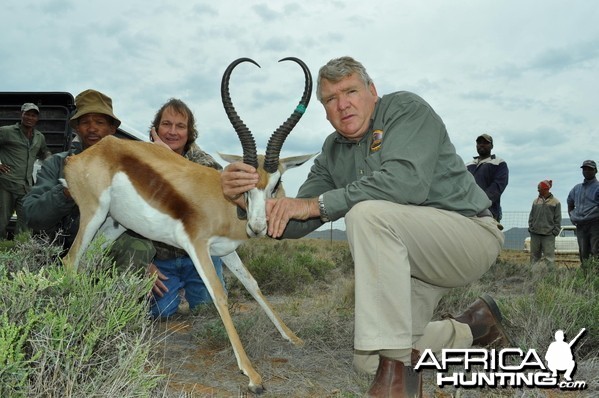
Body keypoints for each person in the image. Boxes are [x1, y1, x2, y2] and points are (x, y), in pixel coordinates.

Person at [221, 56, 510, 397]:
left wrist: (318, 204)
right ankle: (473, 327)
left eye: (350, 91)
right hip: (411, 262)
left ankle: (399, 379)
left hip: (468, 236)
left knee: (365, 214)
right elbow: (295, 222)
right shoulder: (332, 150)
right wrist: (244, 200)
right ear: (325, 110)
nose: (342, 104)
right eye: (330, 99)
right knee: (369, 361)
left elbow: (405, 184)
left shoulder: (405, 109)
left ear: (372, 91)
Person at [22, 89, 156, 273]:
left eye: (99, 122)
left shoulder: (129, 168)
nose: (92, 128)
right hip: (58, 250)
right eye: (85, 122)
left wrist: (146, 260)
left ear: (112, 129)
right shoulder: (57, 163)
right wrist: (67, 193)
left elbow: (145, 217)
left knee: (139, 248)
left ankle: (114, 300)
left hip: (104, 247)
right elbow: (31, 215)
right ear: (77, 128)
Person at [147, 98, 226, 318]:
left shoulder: (200, 159)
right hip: (161, 259)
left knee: (210, 313)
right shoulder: (141, 159)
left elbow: (215, 184)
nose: (172, 131)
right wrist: (142, 262)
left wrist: (169, 159)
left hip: (199, 255)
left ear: (189, 132)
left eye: (180, 126)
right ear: (156, 128)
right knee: (159, 314)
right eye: (166, 124)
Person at [0, 103, 52, 239]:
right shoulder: (6, 131)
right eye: (27, 114)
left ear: (37, 118)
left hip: (26, 187)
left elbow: (44, 152)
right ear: (21, 115)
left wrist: (52, 160)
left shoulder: (39, 137)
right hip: (6, 184)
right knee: (1, 221)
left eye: (33, 115)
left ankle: (21, 254)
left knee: (26, 222)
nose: (30, 117)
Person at [466, 133, 509, 223]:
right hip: (468, 211)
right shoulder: (468, 165)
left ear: (492, 146)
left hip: (489, 212)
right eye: (479, 143)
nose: (481, 145)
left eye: (485, 143)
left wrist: (481, 202)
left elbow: (498, 186)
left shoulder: (499, 163)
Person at [567, 160, 599, 270]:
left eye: (590, 169)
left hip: (595, 224)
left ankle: (596, 277)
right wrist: (571, 216)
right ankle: (586, 276)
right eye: (584, 169)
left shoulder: (598, 187)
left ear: (595, 171)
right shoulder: (576, 188)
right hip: (580, 225)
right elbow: (570, 202)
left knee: (596, 251)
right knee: (583, 252)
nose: (586, 171)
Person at [528, 180, 561, 269]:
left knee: (549, 258)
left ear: (545, 189)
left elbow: (558, 219)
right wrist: (531, 228)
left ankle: (550, 278)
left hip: (548, 235)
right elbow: (531, 215)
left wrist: (555, 232)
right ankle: (533, 275)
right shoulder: (535, 201)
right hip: (535, 234)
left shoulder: (556, 202)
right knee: (534, 257)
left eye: (539, 188)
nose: (538, 190)